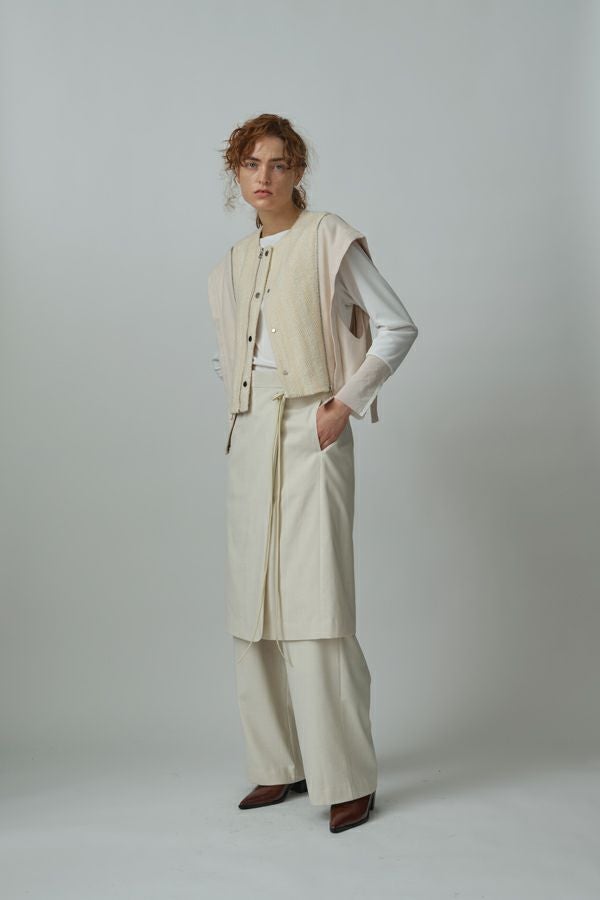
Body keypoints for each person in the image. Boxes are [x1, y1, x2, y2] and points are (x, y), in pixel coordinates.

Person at [207, 113, 418, 833]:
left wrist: (343, 404)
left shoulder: (329, 238)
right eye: (250, 164)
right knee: (253, 604)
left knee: (317, 601)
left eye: (278, 163)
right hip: (250, 430)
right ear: (236, 174)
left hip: (312, 425)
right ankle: (277, 763)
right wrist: (243, 404)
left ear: (298, 170)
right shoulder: (231, 263)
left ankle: (347, 776)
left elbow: (397, 326)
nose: (263, 177)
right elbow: (230, 353)